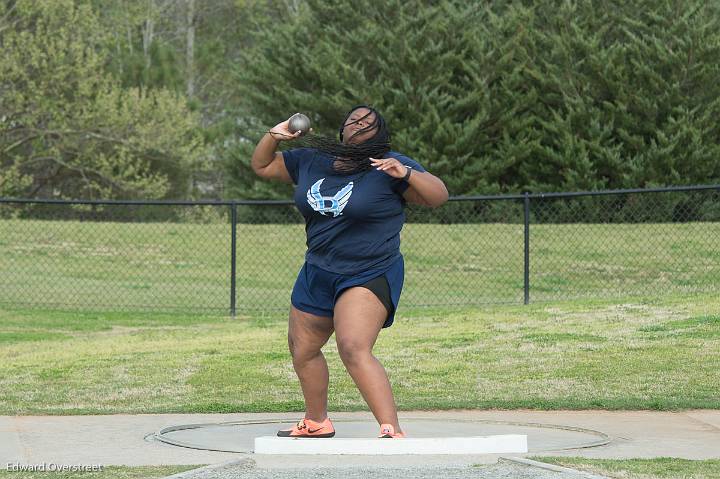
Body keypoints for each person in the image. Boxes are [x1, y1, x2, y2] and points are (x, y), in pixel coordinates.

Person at [251, 105, 448, 439]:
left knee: (353, 345)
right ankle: (317, 421)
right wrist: (274, 135)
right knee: (303, 348)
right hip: (319, 269)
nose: (360, 124)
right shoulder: (313, 159)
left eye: (368, 123)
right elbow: (262, 165)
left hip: (368, 270)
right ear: (343, 129)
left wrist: (407, 174)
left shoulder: (389, 165)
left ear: (380, 134)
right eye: (354, 120)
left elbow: (438, 196)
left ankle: (391, 430)